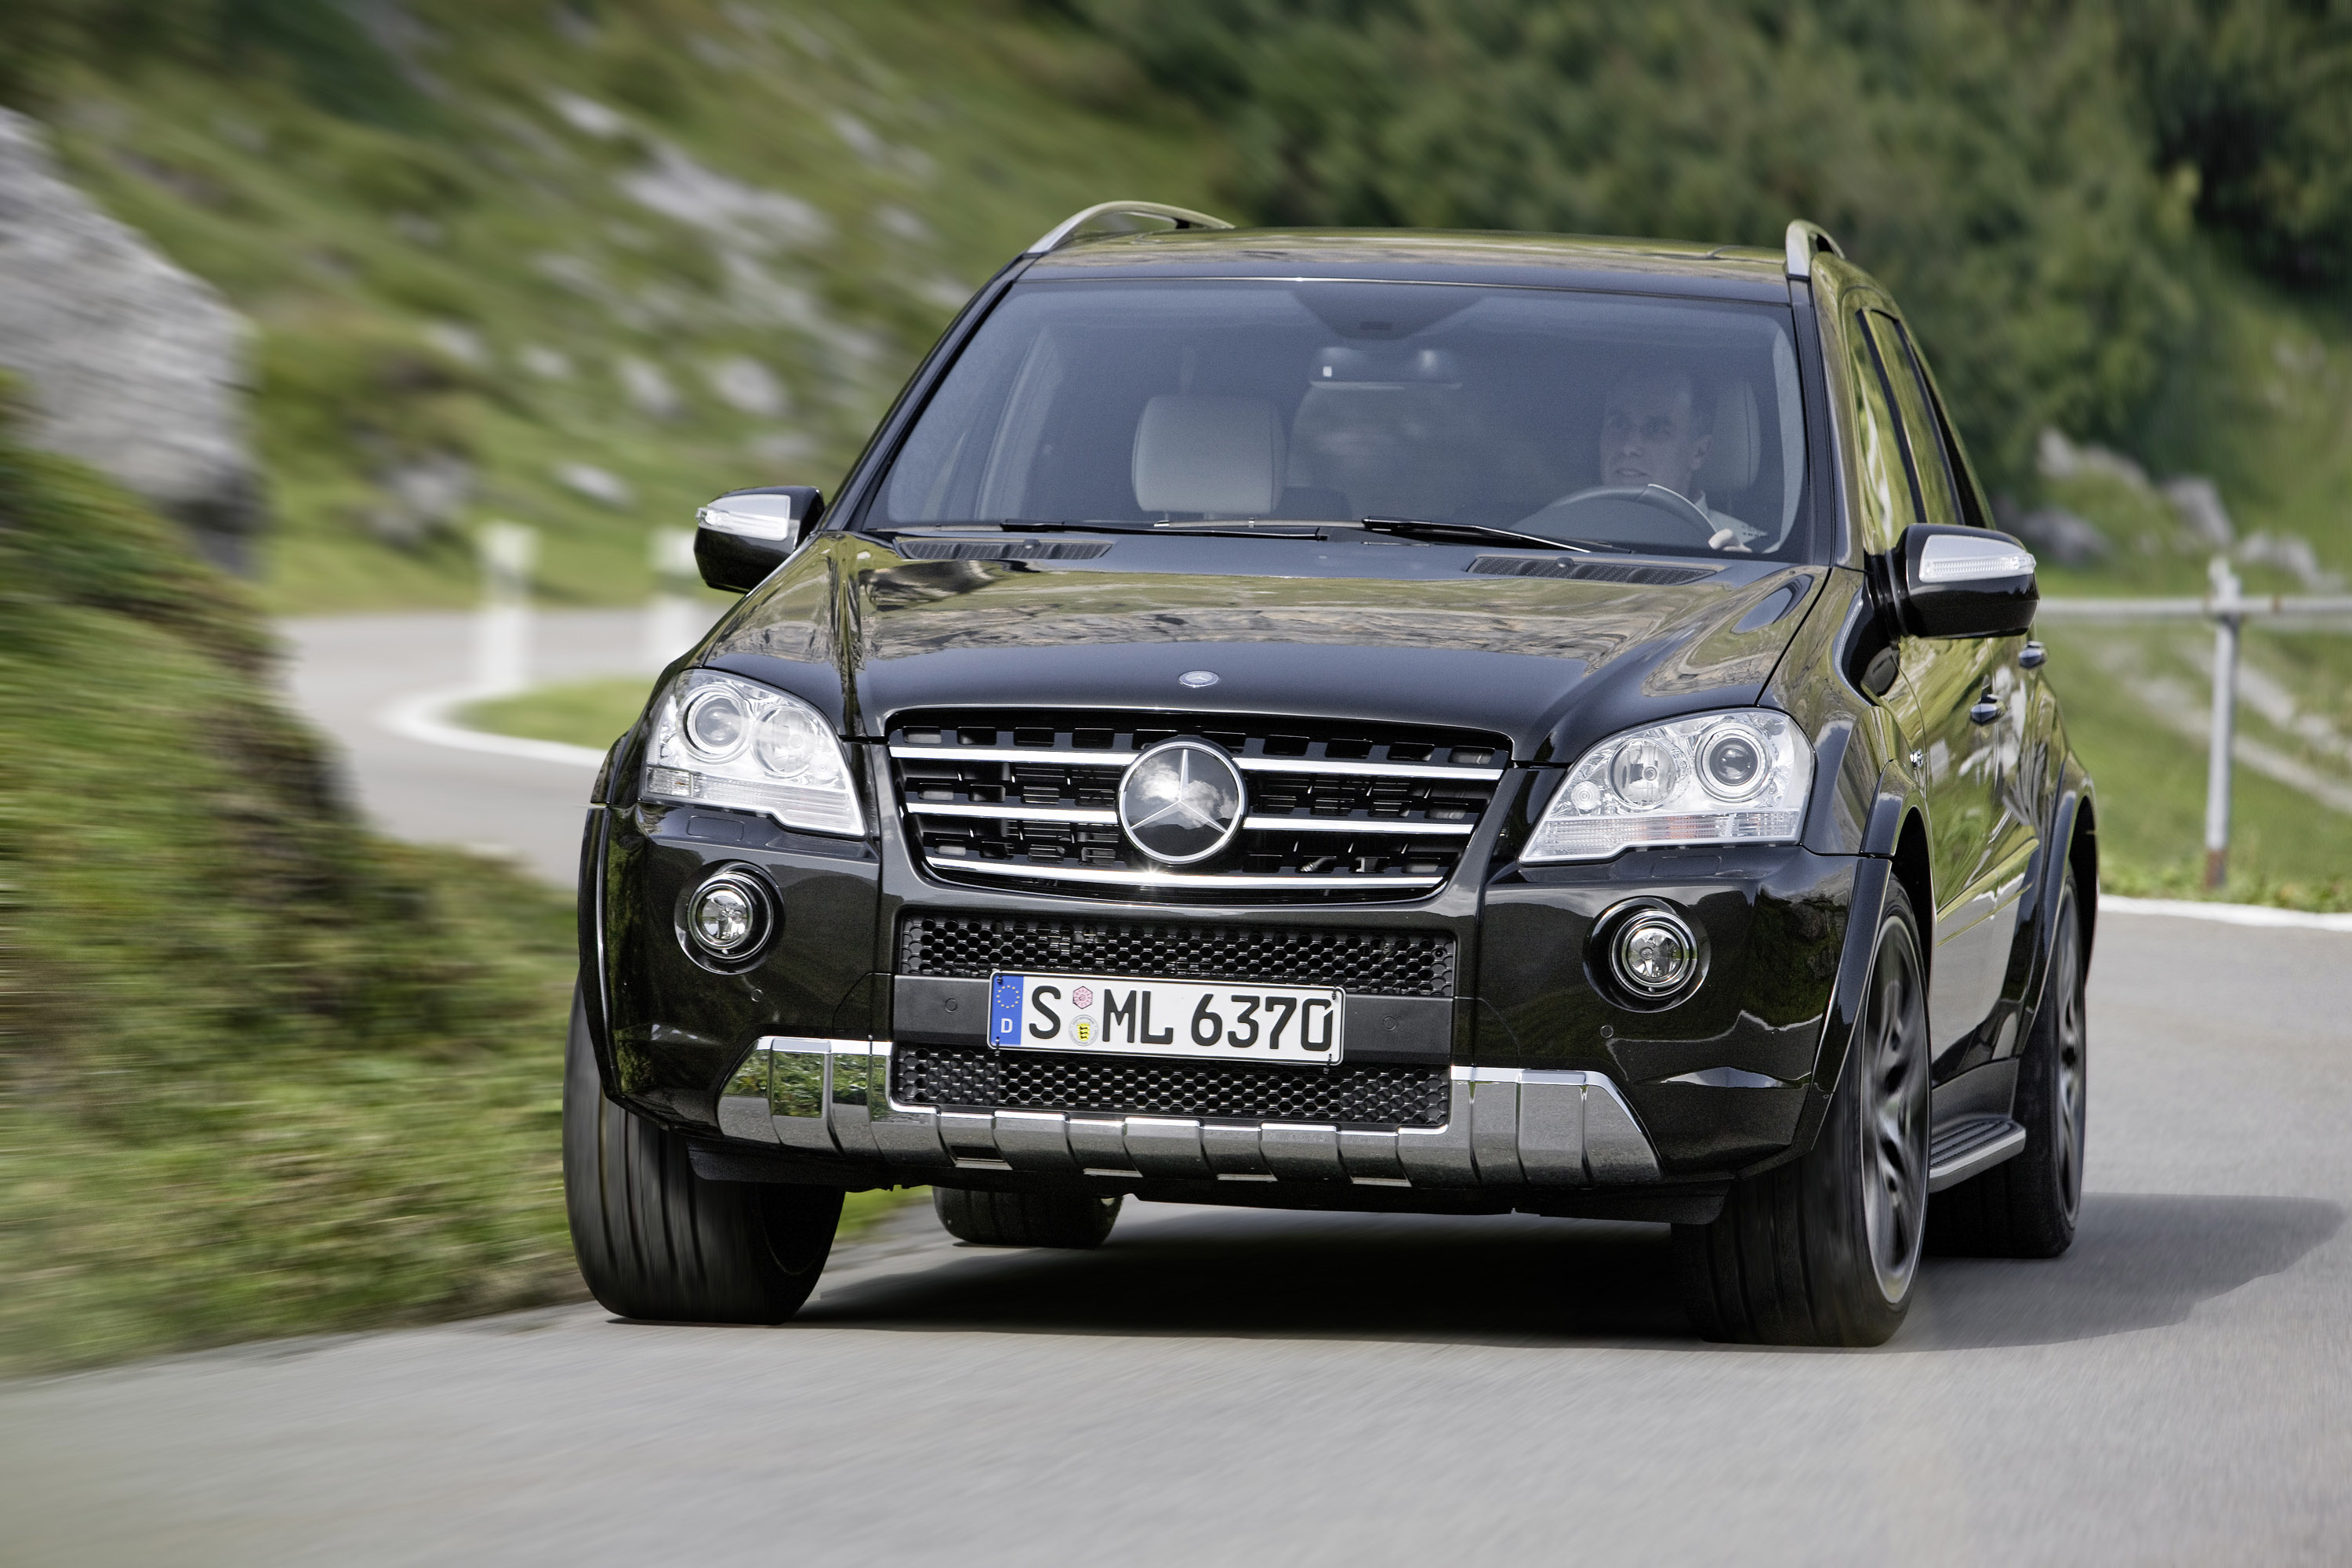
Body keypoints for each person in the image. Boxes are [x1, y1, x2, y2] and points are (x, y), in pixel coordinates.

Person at [1594, 365, 1759, 550]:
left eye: (1655, 429)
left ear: (1699, 452)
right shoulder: (1563, 535)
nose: (1628, 447)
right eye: (1618, 423)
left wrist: (1739, 570)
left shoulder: (1754, 550)